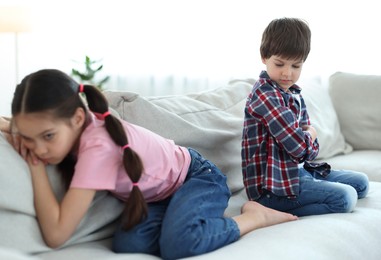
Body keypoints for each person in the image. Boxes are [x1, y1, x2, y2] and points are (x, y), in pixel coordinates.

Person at [6, 69, 297, 260]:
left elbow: (56, 235)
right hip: (158, 196)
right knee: (128, 245)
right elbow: (12, 126)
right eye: (29, 139)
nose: (39, 149)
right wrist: (22, 135)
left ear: (77, 119)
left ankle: (254, 217)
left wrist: (34, 167)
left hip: (198, 178)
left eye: (47, 137)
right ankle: (182, 220)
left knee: (180, 245)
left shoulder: (98, 148)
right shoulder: (70, 128)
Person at [241, 17, 369, 217]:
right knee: (346, 198)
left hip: (298, 171)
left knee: (361, 184)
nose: (287, 73)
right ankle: (269, 212)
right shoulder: (266, 96)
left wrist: (306, 139)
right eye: (280, 63)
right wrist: (310, 135)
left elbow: (308, 154)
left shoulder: (293, 93)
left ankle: (311, 187)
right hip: (273, 188)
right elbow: (300, 148)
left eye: (295, 66)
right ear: (264, 57)